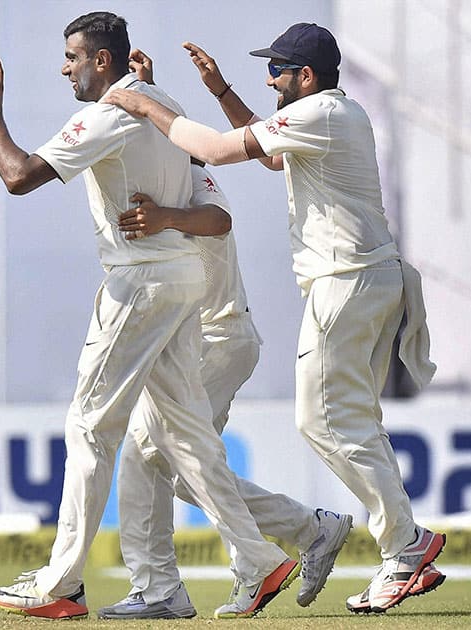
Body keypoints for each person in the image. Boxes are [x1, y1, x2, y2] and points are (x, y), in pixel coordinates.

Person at [104, 22, 444, 615]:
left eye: (278, 71)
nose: (270, 80)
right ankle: (397, 542)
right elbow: (264, 157)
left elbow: (214, 152)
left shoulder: (323, 115)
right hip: (362, 280)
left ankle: (404, 546)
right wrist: (220, 91)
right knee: (349, 420)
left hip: (347, 282)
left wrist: (141, 101)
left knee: (325, 422)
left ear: (305, 77)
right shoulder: (331, 118)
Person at [0, 12, 297, 620]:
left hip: (140, 283)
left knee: (89, 428)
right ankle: (257, 558)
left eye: (72, 57)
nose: (64, 68)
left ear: (102, 60)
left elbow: (18, 177)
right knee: (187, 436)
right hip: (181, 281)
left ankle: (60, 584)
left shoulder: (111, 111)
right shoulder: (157, 98)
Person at [98, 50, 353, 621]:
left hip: (220, 336)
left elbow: (219, 220)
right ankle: (305, 531)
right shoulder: (164, 164)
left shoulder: (186, 165)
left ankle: (173, 585)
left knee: (153, 451)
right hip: (198, 342)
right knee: (177, 465)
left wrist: (164, 215)